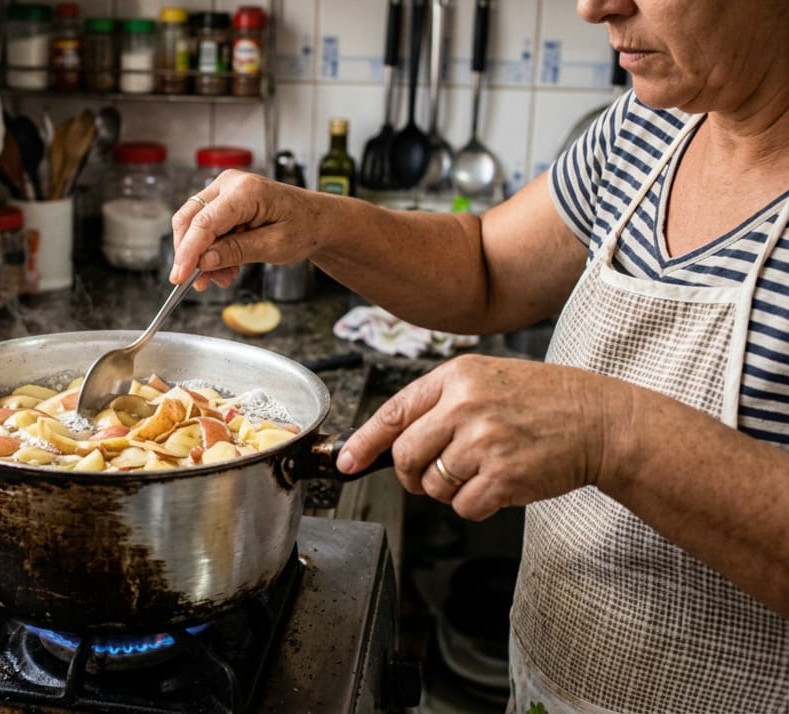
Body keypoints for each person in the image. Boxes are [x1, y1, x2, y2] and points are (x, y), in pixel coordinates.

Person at [170, 1, 789, 711]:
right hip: (556, 680)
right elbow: (488, 267)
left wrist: (610, 432)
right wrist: (318, 223)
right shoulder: (650, 125)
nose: (594, 7)